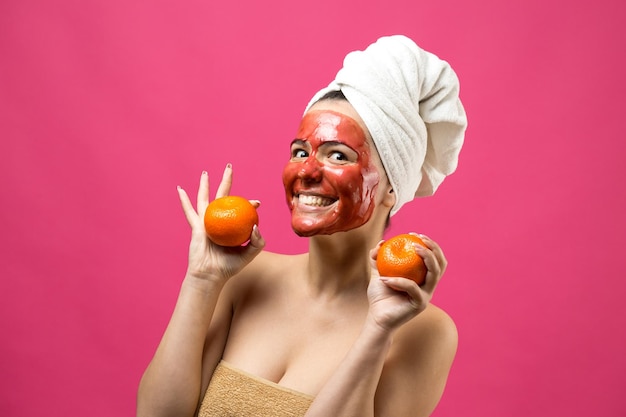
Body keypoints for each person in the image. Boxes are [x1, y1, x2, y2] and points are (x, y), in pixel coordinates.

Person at [137, 34, 467, 417]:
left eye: (337, 155)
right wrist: (200, 281)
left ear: (392, 187)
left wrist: (377, 331)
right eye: (300, 152)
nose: (307, 171)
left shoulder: (422, 331)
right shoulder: (245, 278)